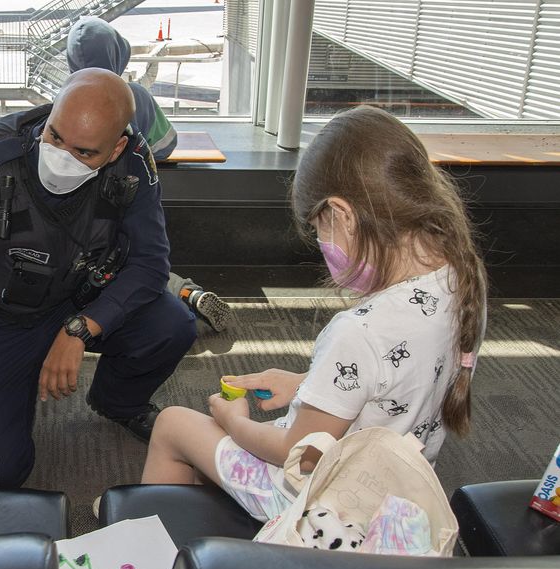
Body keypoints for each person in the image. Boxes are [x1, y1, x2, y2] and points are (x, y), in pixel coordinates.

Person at [140, 105, 487, 522]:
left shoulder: (358, 331)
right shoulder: (461, 276)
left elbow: (296, 455)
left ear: (341, 214)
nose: (322, 245)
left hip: (318, 501)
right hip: (395, 490)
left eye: (319, 227)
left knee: (174, 425)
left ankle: (144, 539)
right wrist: (308, 384)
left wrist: (234, 422)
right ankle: (194, 500)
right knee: (220, 439)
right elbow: (402, 378)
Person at [0, 68, 198, 488]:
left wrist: (79, 330)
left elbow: (151, 263)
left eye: (84, 152)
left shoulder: (133, 163)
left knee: (172, 326)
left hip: (84, 296)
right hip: (2, 318)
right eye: (55, 137)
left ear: (116, 147)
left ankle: (118, 402)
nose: (62, 155)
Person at [66, 16, 233, 333]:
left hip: (79, 215)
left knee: (97, 270)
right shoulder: (135, 95)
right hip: (130, 207)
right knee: (140, 265)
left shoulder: (67, 98)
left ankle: (98, 306)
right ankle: (186, 292)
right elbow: (166, 146)